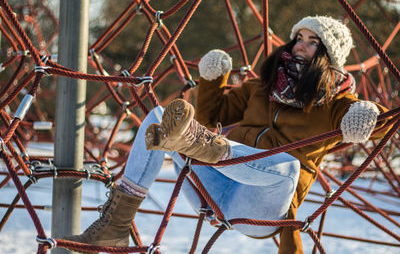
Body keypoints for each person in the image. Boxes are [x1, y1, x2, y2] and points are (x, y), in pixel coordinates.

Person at [64, 16, 390, 253]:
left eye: (312, 41)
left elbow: (380, 124)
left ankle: (201, 147)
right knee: (158, 117)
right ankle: (115, 225)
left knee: (289, 167)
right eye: (299, 37)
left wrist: (364, 116)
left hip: (261, 208)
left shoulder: (334, 102)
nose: (300, 46)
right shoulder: (263, 85)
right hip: (215, 190)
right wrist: (212, 79)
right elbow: (212, 116)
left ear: (328, 54)